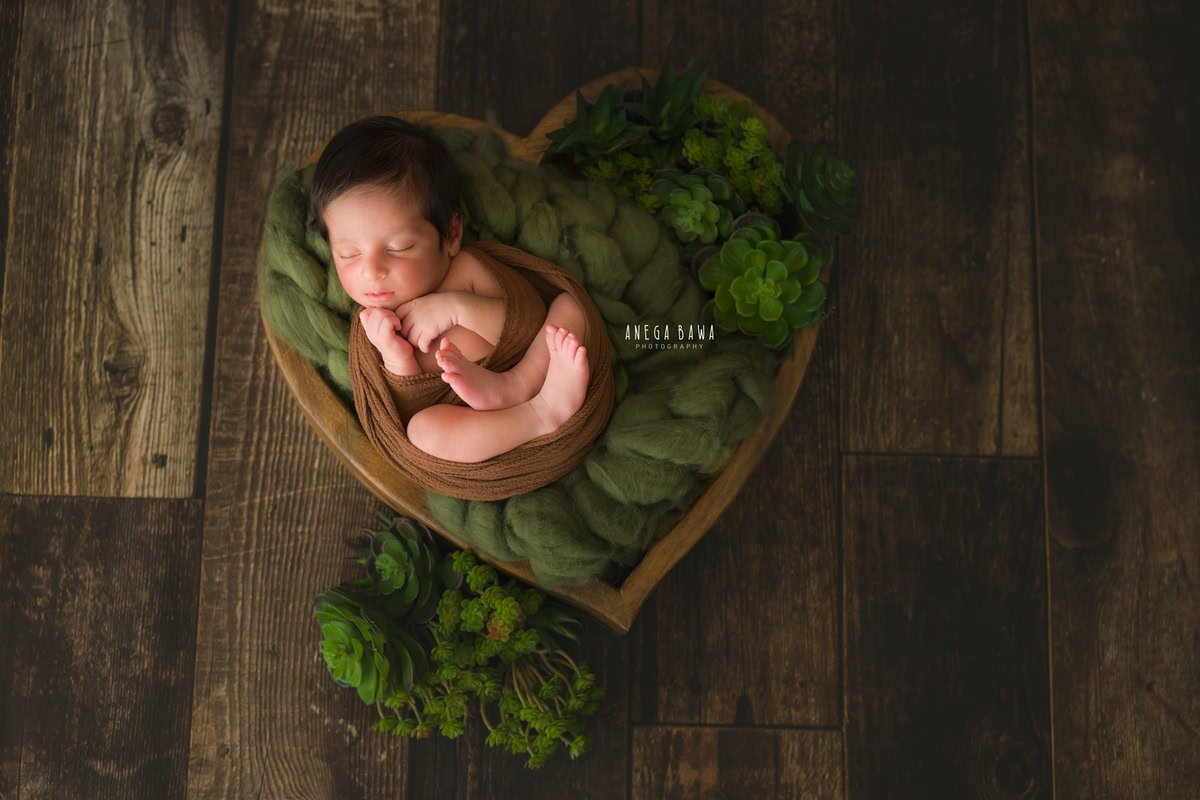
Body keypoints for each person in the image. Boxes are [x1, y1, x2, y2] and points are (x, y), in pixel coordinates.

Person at [309, 115, 590, 463]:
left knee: (570, 305)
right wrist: (397, 356)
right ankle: (541, 415)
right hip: (487, 435)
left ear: (452, 234)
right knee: (423, 432)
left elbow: (527, 323)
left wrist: (458, 308)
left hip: (544, 376)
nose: (371, 271)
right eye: (348, 254)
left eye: (398, 248)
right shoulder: (374, 331)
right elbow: (407, 408)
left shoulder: (466, 271)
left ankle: (518, 386)